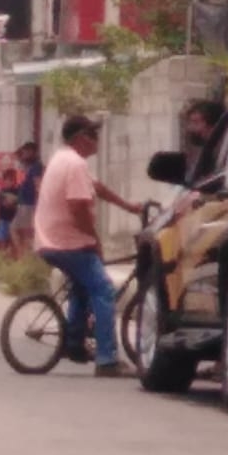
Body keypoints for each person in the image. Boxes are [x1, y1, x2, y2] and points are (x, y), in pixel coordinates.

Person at [34, 116, 145, 377]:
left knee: (82, 289)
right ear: (81, 137)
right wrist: (94, 240)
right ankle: (107, 359)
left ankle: (75, 345)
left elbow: (97, 188)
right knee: (104, 289)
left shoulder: (63, 159)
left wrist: (129, 207)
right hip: (67, 242)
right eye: (93, 135)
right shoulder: (74, 164)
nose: (97, 140)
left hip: (48, 240)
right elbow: (78, 207)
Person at [12, 142, 43, 254]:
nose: (23, 154)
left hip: (29, 204)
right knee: (18, 230)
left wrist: (37, 205)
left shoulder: (36, 167)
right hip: (23, 202)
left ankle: (26, 255)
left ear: (32, 152)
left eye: (25, 151)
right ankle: (24, 253)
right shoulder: (26, 168)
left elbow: (38, 185)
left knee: (23, 231)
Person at [182, 100, 224, 183]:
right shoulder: (207, 151)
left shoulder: (221, 150)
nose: (190, 128)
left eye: (196, 122)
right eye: (190, 123)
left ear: (214, 125)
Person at [0, 167, 20, 256]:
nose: (9, 182)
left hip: (14, 221)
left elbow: (20, 206)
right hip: (3, 220)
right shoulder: (1, 192)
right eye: (7, 180)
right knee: (2, 241)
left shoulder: (18, 191)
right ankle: (3, 259)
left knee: (14, 241)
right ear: (4, 180)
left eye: (11, 180)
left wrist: (12, 205)